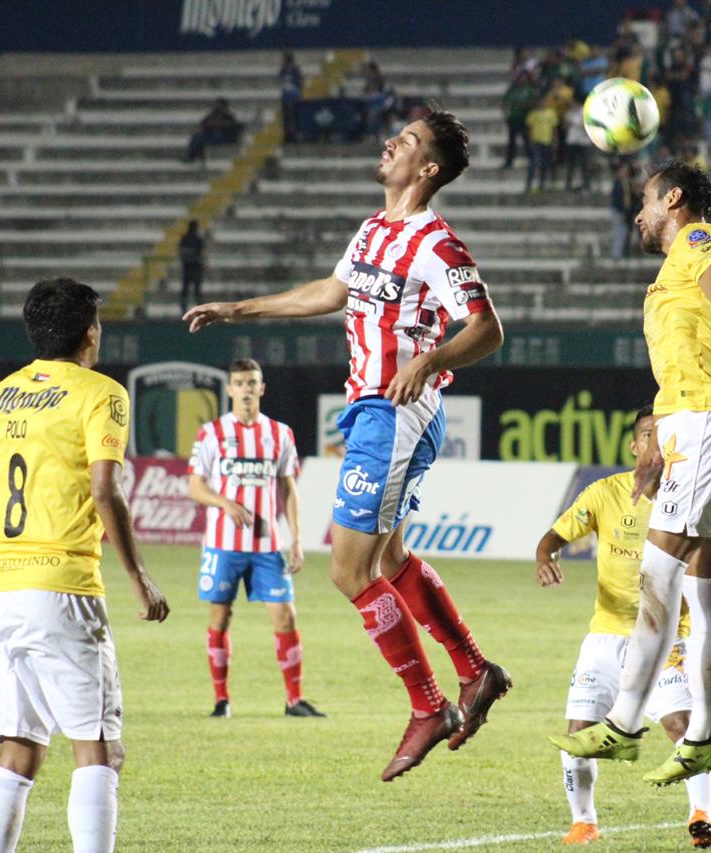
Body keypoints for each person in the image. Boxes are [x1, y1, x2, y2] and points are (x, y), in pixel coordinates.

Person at [183, 109, 511, 782]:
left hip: (394, 413)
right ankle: (475, 670)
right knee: (388, 560)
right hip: (378, 411)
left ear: (427, 170)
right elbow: (332, 292)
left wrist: (428, 360)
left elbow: (487, 328)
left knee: (347, 569)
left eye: (410, 140)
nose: (392, 140)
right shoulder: (373, 230)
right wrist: (237, 308)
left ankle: (430, 705)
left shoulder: (435, 242)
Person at [549, 160, 711, 785]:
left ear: (675, 199)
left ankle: (627, 722)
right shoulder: (668, 275)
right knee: (703, 578)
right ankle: (703, 738)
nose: (638, 212)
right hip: (702, 421)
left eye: (645, 200)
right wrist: (659, 432)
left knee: (658, 569)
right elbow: (681, 359)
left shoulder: (698, 240)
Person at [0, 278, 170, 853]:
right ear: (90, 332)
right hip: (62, 588)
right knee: (98, 748)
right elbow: (105, 489)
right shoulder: (100, 393)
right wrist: (140, 580)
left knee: (19, 748)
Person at [536, 406, 711, 849]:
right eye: (648, 435)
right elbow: (554, 536)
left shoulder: (687, 493)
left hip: (668, 638)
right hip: (605, 637)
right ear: (637, 445)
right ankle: (584, 822)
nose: (657, 443)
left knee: (683, 725)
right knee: (578, 736)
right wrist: (546, 556)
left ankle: (701, 814)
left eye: (664, 435)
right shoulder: (604, 494)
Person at [188, 358, 324, 720]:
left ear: (261, 388)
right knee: (220, 616)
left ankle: (294, 700)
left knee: (285, 618)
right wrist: (223, 502)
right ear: (229, 389)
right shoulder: (212, 433)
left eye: (252, 383)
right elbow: (195, 485)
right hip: (223, 544)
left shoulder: (280, 433)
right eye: (239, 383)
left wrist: (296, 540)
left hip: (267, 546)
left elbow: (289, 488)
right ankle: (221, 700)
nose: (246, 389)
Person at [183, 98, 242, 165]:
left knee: (215, 136)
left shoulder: (229, 117)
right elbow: (203, 124)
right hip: (210, 135)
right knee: (197, 138)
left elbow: (234, 128)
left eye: (219, 106)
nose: (217, 108)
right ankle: (191, 157)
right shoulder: (212, 116)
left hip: (223, 137)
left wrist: (222, 125)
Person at [502, 71, 539, 169]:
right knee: (511, 141)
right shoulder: (513, 90)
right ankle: (509, 161)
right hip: (513, 118)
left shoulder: (530, 90)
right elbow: (505, 102)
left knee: (526, 140)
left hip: (524, 118)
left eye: (524, 77)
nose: (522, 79)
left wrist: (525, 105)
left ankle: (532, 160)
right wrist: (506, 115)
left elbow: (535, 103)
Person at [525, 95, 559, 194]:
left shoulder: (551, 114)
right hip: (537, 141)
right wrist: (530, 140)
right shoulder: (533, 114)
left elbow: (554, 129)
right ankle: (529, 185)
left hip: (547, 141)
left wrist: (554, 141)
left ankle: (542, 185)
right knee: (534, 163)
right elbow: (530, 128)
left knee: (545, 164)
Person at [178, 220, 205, 314]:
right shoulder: (193, 239)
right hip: (192, 268)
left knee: (191, 290)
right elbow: (200, 254)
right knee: (192, 290)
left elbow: (182, 252)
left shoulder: (188, 239)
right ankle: (188, 310)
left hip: (190, 267)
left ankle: (187, 310)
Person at [279, 52, 303, 143]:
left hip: (294, 97)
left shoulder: (295, 70)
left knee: (294, 117)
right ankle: (287, 135)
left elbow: (300, 82)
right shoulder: (283, 70)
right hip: (285, 97)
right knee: (286, 118)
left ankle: (295, 135)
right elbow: (281, 80)